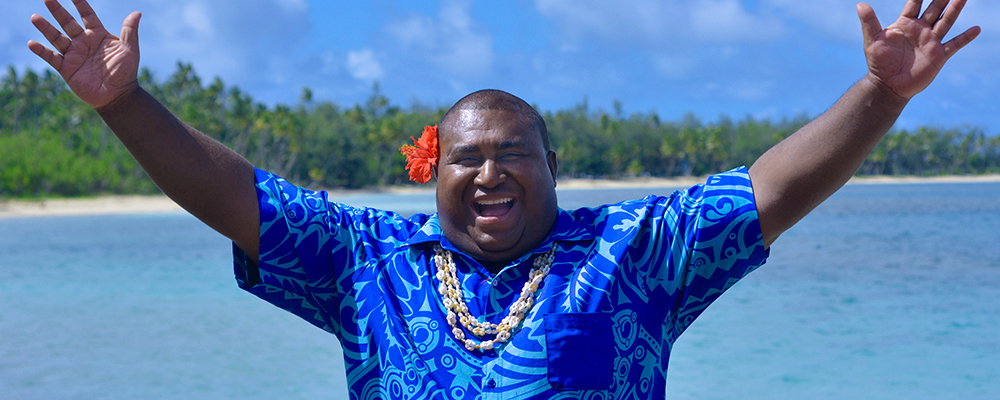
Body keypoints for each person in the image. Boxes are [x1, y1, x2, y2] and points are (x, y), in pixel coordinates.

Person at [27, 0, 980, 398]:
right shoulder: (368, 260)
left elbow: (770, 188)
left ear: (552, 166)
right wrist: (123, 104)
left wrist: (882, 94)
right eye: (468, 159)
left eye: (514, 154)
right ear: (433, 171)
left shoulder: (638, 250)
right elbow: (239, 197)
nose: (490, 173)